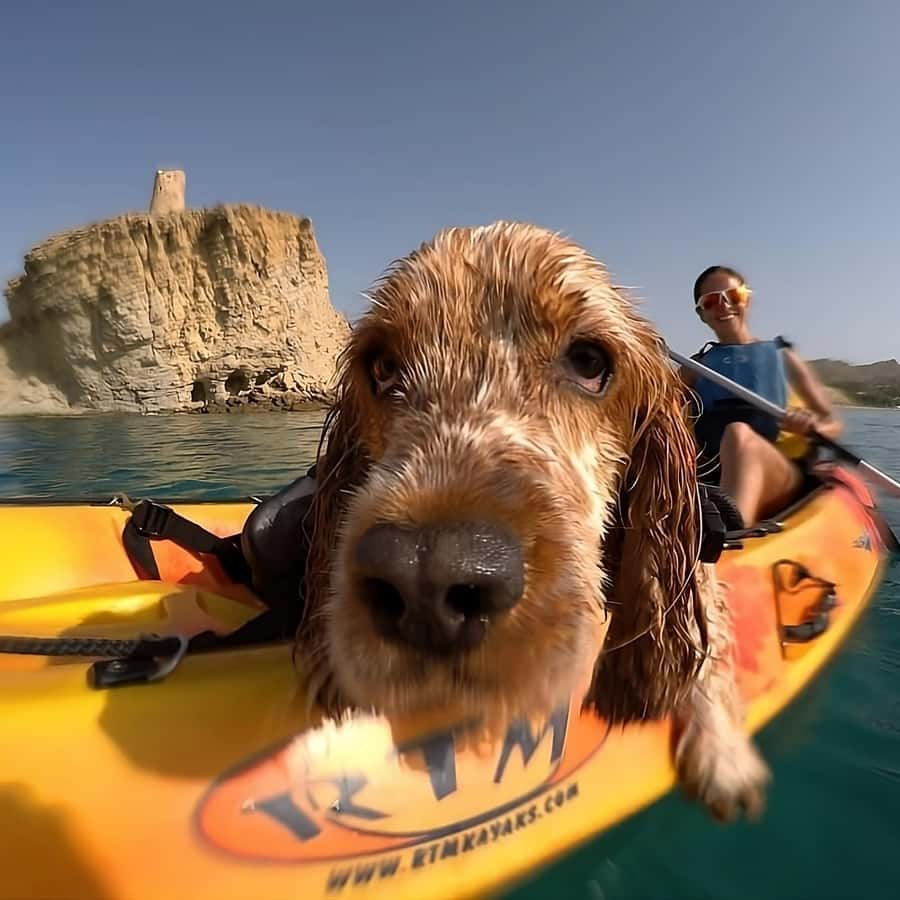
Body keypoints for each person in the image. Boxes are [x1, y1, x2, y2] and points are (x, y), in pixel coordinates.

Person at [679, 265, 842, 527]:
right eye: (711, 301)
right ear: (702, 314)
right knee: (735, 436)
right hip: (713, 478)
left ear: (747, 299)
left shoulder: (783, 358)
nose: (723, 306)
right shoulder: (694, 369)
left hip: (780, 477)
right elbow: (655, 418)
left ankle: (731, 530)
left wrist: (812, 427)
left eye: (732, 296)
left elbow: (832, 425)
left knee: (738, 434)